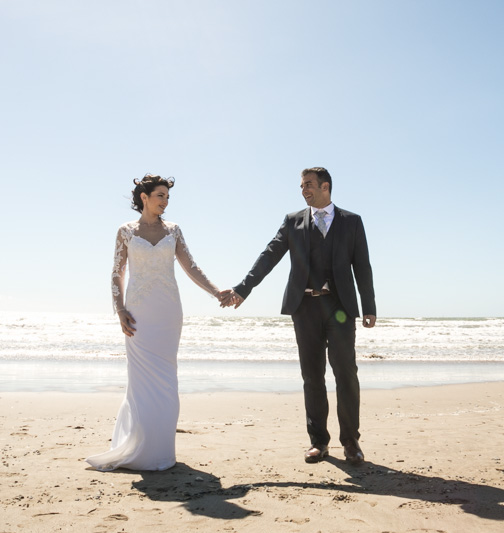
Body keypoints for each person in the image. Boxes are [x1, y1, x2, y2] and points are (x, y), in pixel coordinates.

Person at [218, 167, 376, 464]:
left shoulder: (352, 222)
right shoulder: (293, 222)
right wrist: (243, 288)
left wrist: (368, 306)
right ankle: (319, 442)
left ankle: (351, 442)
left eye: (309, 185)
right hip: (304, 308)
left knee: (346, 374)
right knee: (312, 376)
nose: (304, 190)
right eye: (301, 185)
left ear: (325, 186)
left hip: (340, 308)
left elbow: (362, 265)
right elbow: (269, 255)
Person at [86, 174, 227, 472]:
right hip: (138, 313)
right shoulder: (125, 231)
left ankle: (161, 452)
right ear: (144, 198)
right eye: (160, 195)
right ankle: (137, 445)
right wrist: (119, 308)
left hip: (167, 312)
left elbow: (191, 266)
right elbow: (116, 272)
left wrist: (216, 291)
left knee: (166, 380)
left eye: (167, 197)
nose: (164, 201)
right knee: (140, 382)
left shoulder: (174, 231)